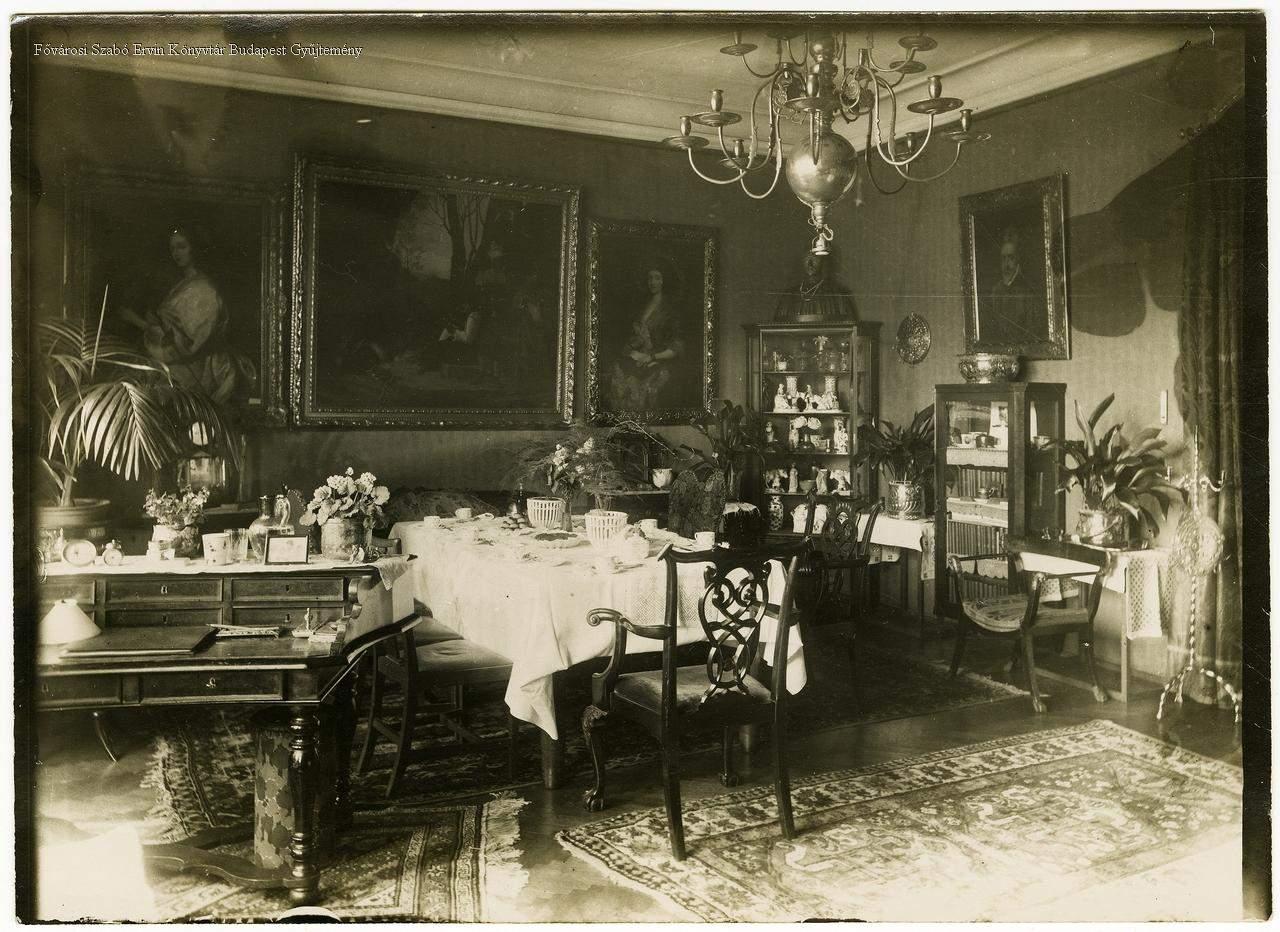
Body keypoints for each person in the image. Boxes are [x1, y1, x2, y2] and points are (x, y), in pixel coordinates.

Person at [120, 227, 254, 404]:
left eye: (182, 247)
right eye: (173, 248)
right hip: (178, 362)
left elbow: (180, 345)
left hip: (197, 369)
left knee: (142, 387)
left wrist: (137, 321)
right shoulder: (184, 284)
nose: (176, 253)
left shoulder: (205, 290)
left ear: (194, 248)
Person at [607, 264, 686, 411]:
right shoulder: (643, 305)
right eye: (650, 278)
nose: (653, 282)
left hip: (660, 360)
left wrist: (651, 357)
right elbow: (639, 336)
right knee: (616, 373)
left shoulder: (670, 310)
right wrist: (631, 347)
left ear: (665, 280)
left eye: (657, 278)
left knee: (643, 389)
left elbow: (677, 346)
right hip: (640, 358)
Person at [984, 227, 1044, 344]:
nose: (1006, 264)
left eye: (1011, 258)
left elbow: (1033, 330)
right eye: (1003, 258)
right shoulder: (996, 290)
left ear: (1018, 260)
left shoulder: (1028, 290)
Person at [774, 252, 856, 322]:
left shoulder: (838, 296)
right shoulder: (788, 296)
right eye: (807, 257)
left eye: (815, 257)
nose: (810, 263)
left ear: (822, 261)